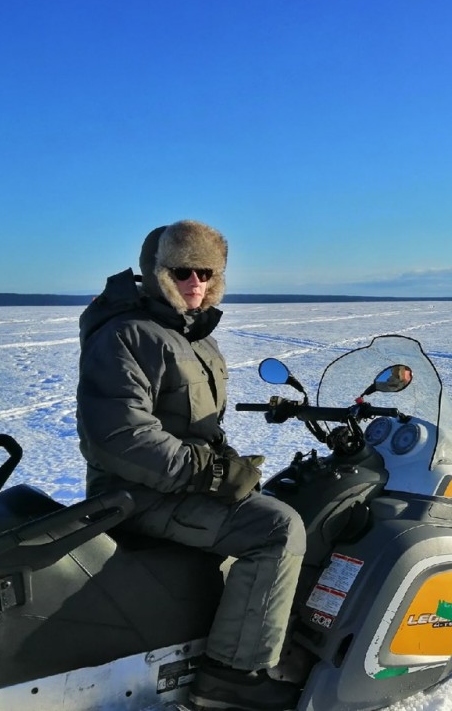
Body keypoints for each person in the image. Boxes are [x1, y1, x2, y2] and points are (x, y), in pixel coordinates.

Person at [77, 220, 306, 711]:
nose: (196, 282)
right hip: (134, 495)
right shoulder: (127, 335)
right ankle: (231, 677)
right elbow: (120, 436)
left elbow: (195, 426)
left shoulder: (193, 334)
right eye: (183, 271)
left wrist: (224, 461)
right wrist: (212, 474)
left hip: (174, 484)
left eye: (206, 272)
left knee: (277, 499)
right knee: (277, 530)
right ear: (157, 272)